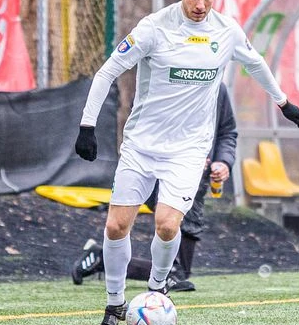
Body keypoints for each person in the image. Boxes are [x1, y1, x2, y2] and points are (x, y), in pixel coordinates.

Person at [74, 0, 299, 325]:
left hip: (188, 149)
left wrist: (283, 102)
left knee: (167, 225)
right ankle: (114, 305)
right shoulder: (153, 28)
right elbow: (107, 72)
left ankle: (157, 292)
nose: (200, 5)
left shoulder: (226, 31)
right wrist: (87, 125)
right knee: (116, 226)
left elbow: (256, 63)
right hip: (141, 144)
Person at [73, 83, 238, 293]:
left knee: (180, 271)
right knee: (173, 266)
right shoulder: (161, 78)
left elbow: (227, 132)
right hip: (161, 169)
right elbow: (144, 123)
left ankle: (103, 258)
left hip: (196, 179)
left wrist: (223, 162)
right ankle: (108, 263)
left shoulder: (217, 87)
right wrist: (185, 154)